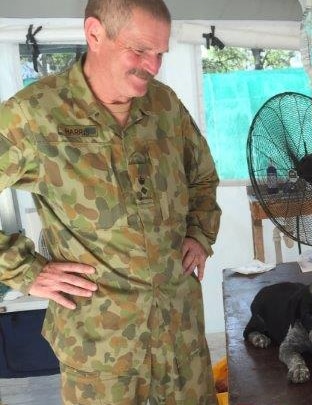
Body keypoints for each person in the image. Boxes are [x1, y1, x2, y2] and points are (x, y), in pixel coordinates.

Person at [0, 0, 222, 403]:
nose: (152, 66)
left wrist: (200, 231)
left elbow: (203, 176)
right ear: (94, 33)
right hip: (102, 353)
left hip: (181, 338)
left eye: (160, 54)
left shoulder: (164, 106)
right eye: (139, 51)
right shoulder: (34, 116)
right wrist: (24, 269)